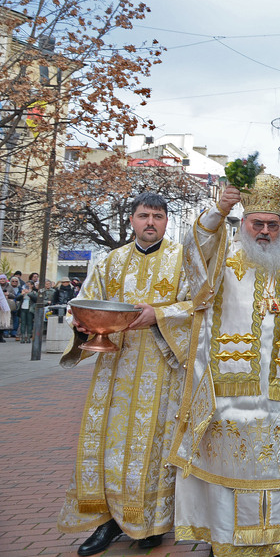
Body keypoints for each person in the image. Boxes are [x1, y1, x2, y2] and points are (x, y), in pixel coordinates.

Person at [169, 174, 280, 557]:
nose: (265, 231)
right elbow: (195, 248)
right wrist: (218, 209)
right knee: (230, 472)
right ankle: (223, 540)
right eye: (258, 223)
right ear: (243, 223)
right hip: (230, 392)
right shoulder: (221, 258)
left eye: (272, 225)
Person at [57, 192, 193, 555]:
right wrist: (80, 323)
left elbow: (199, 306)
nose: (150, 222)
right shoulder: (110, 261)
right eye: (144, 215)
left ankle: (150, 524)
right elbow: (84, 302)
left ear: (166, 222)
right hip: (114, 369)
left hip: (163, 370)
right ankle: (107, 522)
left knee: (154, 447)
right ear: (131, 220)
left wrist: (159, 315)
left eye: (158, 217)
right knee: (108, 444)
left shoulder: (184, 260)